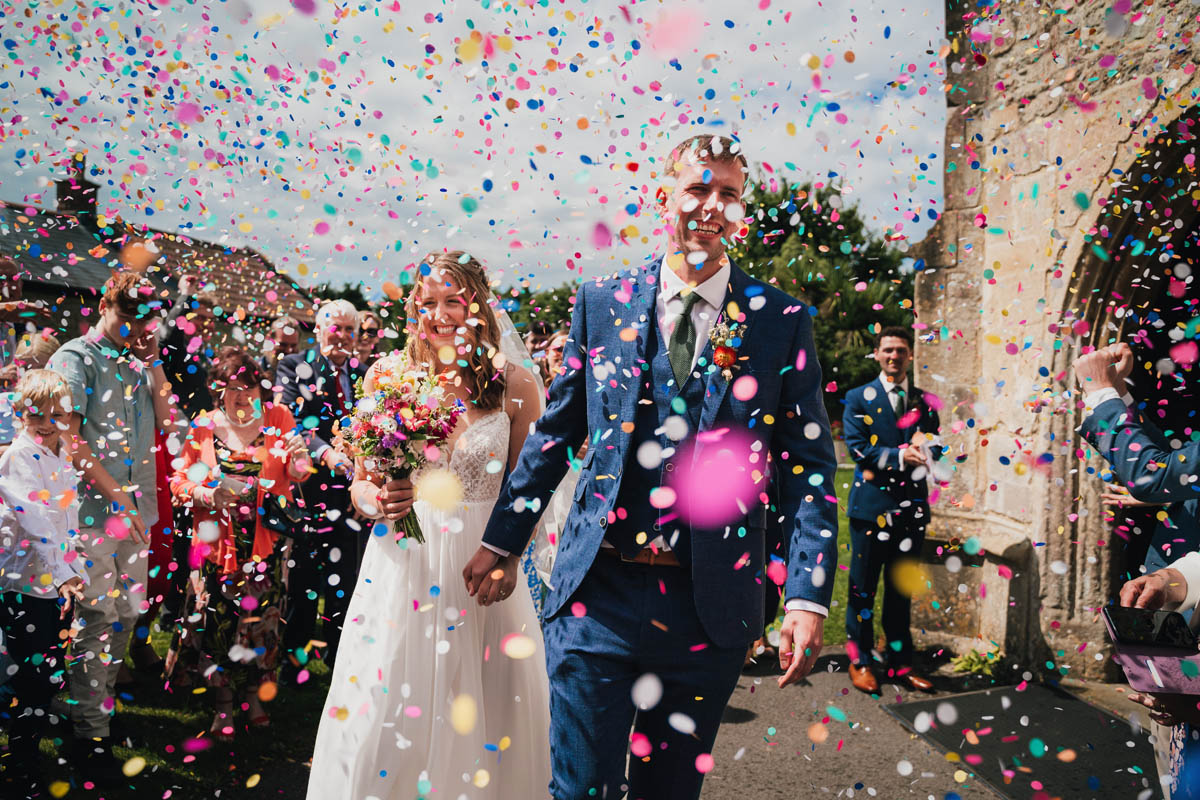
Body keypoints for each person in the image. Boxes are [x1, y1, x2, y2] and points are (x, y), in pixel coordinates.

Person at [463, 133, 841, 800]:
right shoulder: (600, 303)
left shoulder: (779, 320)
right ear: (662, 196)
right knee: (580, 791)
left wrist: (806, 596)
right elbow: (555, 436)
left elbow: (809, 469)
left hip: (710, 606)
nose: (712, 205)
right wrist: (501, 540)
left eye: (728, 193)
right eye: (698, 187)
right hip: (595, 596)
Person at [307, 251, 551, 799]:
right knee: (385, 716)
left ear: (479, 307)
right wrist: (376, 498)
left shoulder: (515, 385)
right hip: (405, 570)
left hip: (479, 566)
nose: (440, 314)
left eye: (453, 301)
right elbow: (361, 486)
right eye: (428, 302)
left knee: (487, 720)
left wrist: (509, 557)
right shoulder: (389, 376)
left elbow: (528, 490)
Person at [48, 270, 182, 786]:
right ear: (106, 304)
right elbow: (71, 440)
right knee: (97, 616)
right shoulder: (74, 359)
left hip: (138, 511)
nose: (135, 331)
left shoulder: (141, 359)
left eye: (145, 323)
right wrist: (118, 499)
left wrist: (152, 367)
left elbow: (170, 424)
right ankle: (90, 733)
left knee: (128, 613)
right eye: (128, 320)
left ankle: (89, 704)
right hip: (94, 513)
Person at [165, 347, 311, 741]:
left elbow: (297, 476)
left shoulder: (279, 419)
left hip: (265, 546)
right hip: (217, 548)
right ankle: (224, 708)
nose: (242, 396)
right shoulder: (202, 428)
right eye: (233, 388)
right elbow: (180, 482)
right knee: (217, 626)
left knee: (262, 626)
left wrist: (300, 463)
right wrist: (206, 495)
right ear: (219, 391)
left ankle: (254, 699)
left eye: (248, 387)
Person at [1077, 341, 1200, 799]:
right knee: (1172, 753)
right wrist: (1174, 580)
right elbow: (1173, 468)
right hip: (1184, 597)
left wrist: (1098, 392)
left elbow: (1153, 474)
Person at [841, 326, 941, 694]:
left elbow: (936, 446)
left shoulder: (925, 402)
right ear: (877, 354)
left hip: (911, 512)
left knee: (901, 592)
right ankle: (860, 660)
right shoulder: (858, 397)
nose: (894, 356)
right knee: (862, 590)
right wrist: (901, 454)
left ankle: (900, 664)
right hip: (871, 509)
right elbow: (857, 448)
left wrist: (930, 449)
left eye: (901, 350)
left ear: (910, 355)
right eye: (888, 350)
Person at [0, 370, 86, 795]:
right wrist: (65, 572)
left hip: (52, 585)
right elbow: (34, 519)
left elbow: (66, 518)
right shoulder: (18, 456)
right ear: (20, 412)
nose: (47, 420)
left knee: (47, 673)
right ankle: (21, 766)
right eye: (37, 412)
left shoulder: (61, 455)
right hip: (24, 584)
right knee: (29, 678)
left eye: (57, 413)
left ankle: (27, 753)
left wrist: (75, 571)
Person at [275, 300, 365, 677]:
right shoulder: (294, 366)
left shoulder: (366, 372)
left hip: (353, 496)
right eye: (336, 328)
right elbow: (291, 422)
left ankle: (338, 664)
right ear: (318, 328)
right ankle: (295, 663)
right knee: (304, 583)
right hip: (310, 493)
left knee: (346, 582)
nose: (342, 337)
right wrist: (327, 453)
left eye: (350, 330)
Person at [0, 331, 61, 452]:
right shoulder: (4, 404)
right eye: (24, 367)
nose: (32, 375)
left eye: (40, 368)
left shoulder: (65, 407)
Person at [259, 314, 301, 383]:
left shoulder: (303, 375)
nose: (288, 350)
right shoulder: (255, 372)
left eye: (293, 345)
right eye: (283, 345)